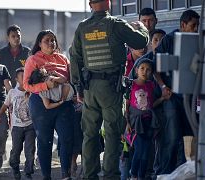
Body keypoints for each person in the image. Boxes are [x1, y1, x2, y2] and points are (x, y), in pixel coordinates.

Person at [69, 0, 149, 179]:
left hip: (90, 89)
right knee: (112, 133)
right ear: (109, 3)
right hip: (111, 88)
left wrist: (78, 87)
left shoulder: (82, 27)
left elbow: (74, 58)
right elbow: (141, 41)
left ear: (90, 5)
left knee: (90, 134)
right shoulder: (115, 24)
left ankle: (90, 175)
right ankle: (110, 175)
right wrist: (142, 27)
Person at [153, 9, 200, 175]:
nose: (196, 29)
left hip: (189, 97)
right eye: (193, 26)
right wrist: (163, 87)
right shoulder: (169, 40)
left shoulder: (197, 42)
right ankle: (164, 173)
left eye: (197, 26)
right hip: (171, 97)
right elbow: (155, 67)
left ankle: (184, 173)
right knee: (172, 137)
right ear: (183, 24)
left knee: (188, 138)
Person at [23, 30, 75, 180]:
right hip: (40, 104)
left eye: (53, 40)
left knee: (67, 139)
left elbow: (70, 80)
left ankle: (66, 175)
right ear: (39, 43)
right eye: (47, 40)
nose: (51, 43)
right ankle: (46, 176)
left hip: (63, 104)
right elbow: (26, 85)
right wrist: (45, 86)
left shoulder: (63, 58)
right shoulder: (33, 59)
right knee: (45, 141)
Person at [124, 58, 164, 179]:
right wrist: (127, 123)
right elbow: (126, 106)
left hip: (148, 123)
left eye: (148, 70)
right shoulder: (131, 85)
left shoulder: (151, 85)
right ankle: (134, 175)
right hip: (136, 124)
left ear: (151, 73)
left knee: (146, 152)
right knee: (139, 150)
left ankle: (141, 176)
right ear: (136, 70)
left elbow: (151, 104)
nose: (144, 71)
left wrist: (162, 98)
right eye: (142, 68)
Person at [0, 67, 36, 179]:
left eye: (27, 75)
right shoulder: (12, 92)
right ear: (16, 79)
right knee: (16, 149)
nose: (25, 78)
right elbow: (5, 105)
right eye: (22, 76)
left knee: (30, 149)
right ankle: (15, 167)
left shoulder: (33, 91)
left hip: (30, 126)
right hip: (17, 127)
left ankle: (28, 172)